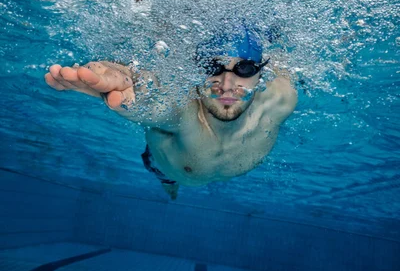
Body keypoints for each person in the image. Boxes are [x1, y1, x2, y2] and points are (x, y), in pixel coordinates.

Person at [44, 24, 297, 200]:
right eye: (213, 67)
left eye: (244, 69)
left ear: (262, 73)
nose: (227, 85)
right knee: (168, 182)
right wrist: (126, 82)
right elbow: (156, 102)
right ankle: (168, 184)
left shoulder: (282, 100)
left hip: (192, 169)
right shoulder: (185, 113)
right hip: (165, 166)